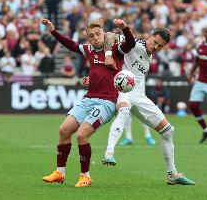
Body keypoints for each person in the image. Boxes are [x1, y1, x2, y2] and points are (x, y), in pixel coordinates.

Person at [41, 18, 136, 187]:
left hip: (106, 102)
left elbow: (130, 44)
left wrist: (125, 28)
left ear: (104, 33)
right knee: (64, 130)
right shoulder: (89, 49)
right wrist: (53, 31)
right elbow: (71, 45)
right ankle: (59, 173)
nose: (95, 37)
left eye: (98, 34)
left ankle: (85, 176)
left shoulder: (115, 49)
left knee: (81, 135)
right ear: (88, 38)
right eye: (91, 36)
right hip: (88, 99)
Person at [102, 28, 195, 185]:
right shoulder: (134, 43)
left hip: (139, 96)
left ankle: (172, 174)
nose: (156, 47)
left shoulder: (149, 55)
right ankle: (109, 152)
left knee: (168, 131)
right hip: (123, 91)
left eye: (160, 46)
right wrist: (108, 55)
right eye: (155, 42)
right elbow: (108, 36)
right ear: (149, 36)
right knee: (124, 111)